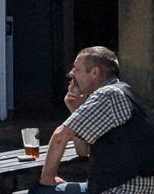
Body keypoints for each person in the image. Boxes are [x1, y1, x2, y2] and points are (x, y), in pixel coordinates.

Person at [34, 46, 154, 194]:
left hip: (122, 188)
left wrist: (47, 179)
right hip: (131, 184)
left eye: (77, 69)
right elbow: (83, 151)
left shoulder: (108, 95)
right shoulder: (122, 90)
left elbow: (60, 136)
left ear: (94, 72)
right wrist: (76, 110)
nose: (71, 73)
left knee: (40, 191)